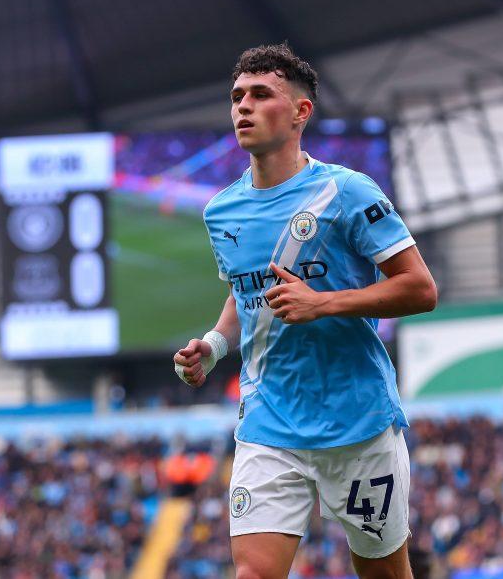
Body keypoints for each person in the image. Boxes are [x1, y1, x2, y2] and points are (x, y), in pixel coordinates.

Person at [173, 43, 437, 578]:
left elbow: (420, 288)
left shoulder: (347, 192)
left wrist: (324, 303)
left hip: (357, 425)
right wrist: (215, 344)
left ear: (300, 112)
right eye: (236, 96)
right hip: (269, 424)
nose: (242, 106)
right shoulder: (221, 209)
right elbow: (245, 294)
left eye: (260, 94)